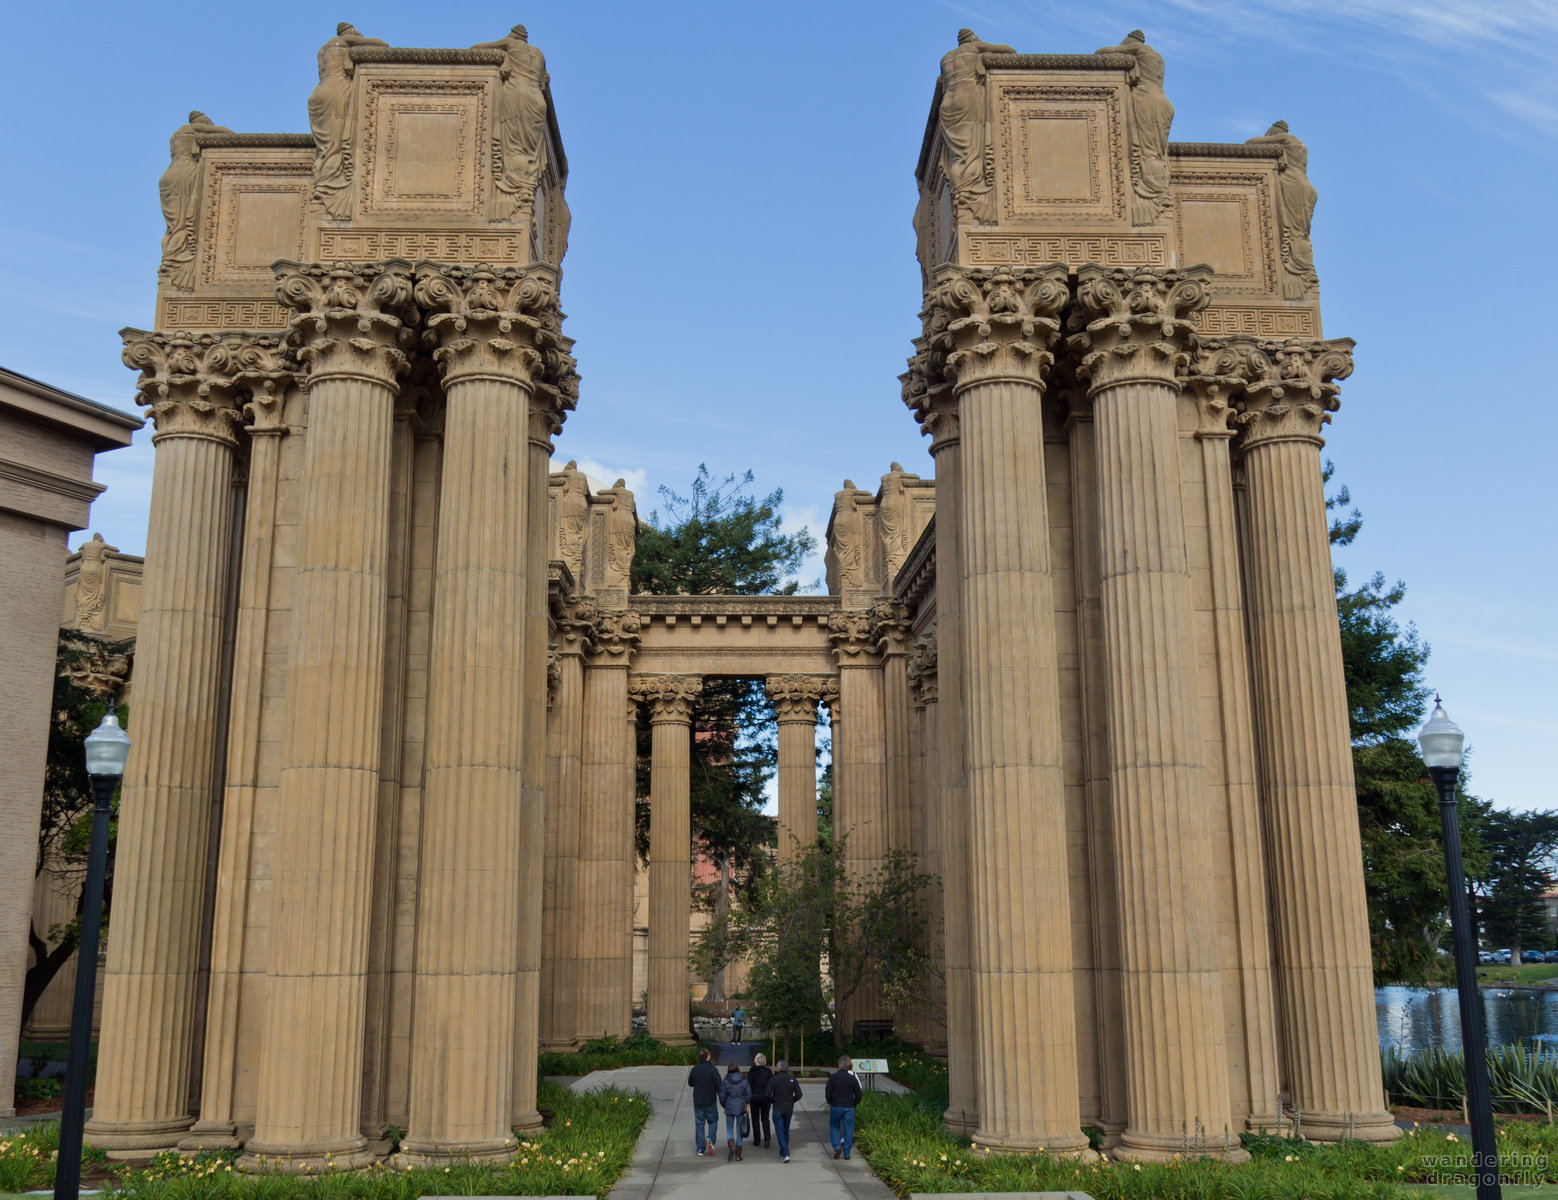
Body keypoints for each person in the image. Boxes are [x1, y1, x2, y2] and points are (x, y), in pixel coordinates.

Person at [825, 1055, 863, 1160]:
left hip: (836, 1105)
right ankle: (847, 1153)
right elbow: (859, 1094)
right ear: (848, 1066)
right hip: (849, 1107)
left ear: (838, 1066)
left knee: (834, 1126)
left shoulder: (833, 1078)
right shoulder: (852, 1078)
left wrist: (830, 1102)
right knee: (848, 1129)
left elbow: (828, 1092)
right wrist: (854, 1103)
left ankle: (837, 1145)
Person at [687, 1046, 720, 1156]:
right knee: (713, 1121)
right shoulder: (713, 1070)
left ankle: (700, 1148)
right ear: (708, 1057)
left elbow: (690, 1083)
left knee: (699, 1124)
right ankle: (710, 1139)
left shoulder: (695, 1069)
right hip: (710, 1100)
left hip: (698, 1101)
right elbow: (719, 1086)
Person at [769, 1058, 804, 1163]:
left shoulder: (774, 1079)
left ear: (779, 1068)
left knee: (779, 1131)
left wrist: (773, 1101)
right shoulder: (792, 1078)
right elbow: (799, 1094)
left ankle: (786, 1153)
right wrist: (791, 1100)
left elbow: (767, 1094)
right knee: (785, 1130)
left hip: (778, 1107)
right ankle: (782, 1153)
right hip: (788, 1108)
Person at [719, 1063, 752, 1161]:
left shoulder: (725, 1081)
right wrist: (745, 1101)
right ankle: (738, 1155)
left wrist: (726, 1105)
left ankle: (731, 1146)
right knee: (739, 1130)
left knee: (729, 1129)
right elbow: (749, 1094)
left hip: (729, 1106)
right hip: (741, 1107)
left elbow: (722, 1096)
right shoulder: (744, 1080)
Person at [748, 1053, 774, 1149]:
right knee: (765, 1118)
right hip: (766, 1098)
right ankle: (767, 1138)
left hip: (754, 1097)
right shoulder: (768, 1071)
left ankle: (757, 1139)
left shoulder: (752, 1071)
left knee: (755, 1118)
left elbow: (748, 1084)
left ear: (756, 1060)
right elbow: (772, 1084)